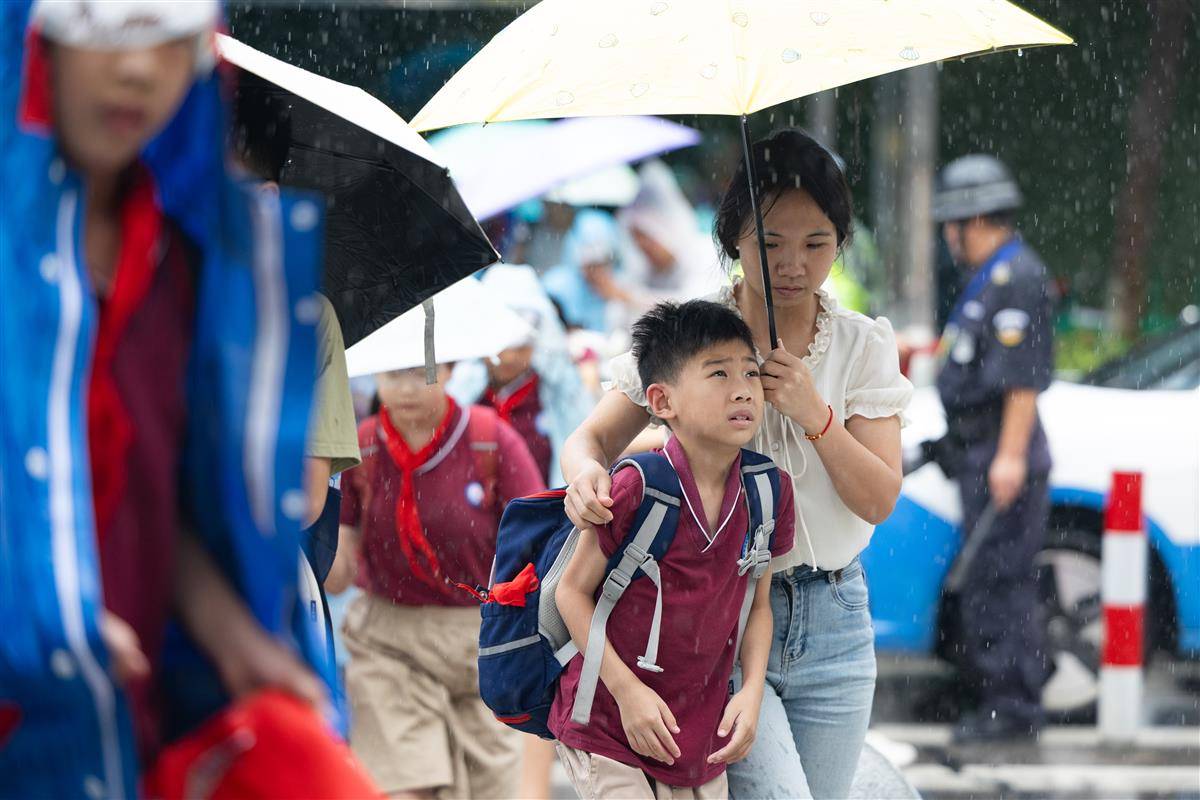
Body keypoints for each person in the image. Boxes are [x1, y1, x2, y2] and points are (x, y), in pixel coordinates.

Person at [0, 1, 346, 795]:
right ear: (36, 38)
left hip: (128, 724)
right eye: (101, 25)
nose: (136, 69)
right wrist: (35, 604)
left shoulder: (184, 266)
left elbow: (152, 496)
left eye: (167, 35)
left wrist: (236, 638)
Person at [560, 129, 912, 799]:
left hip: (836, 616)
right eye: (770, 243)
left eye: (816, 243)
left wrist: (815, 415)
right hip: (718, 611)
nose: (793, 264)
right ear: (732, 240)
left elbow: (877, 498)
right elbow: (590, 439)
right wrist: (584, 477)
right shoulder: (694, 337)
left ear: (840, 243)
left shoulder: (862, 345)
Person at [551, 300, 794, 799]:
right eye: (718, 373)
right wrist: (628, 692)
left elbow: (758, 606)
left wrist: (751, 693)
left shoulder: (768, 491)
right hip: (608, 721)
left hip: (697, 736)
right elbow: (570, 594)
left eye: (750, 372)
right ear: (662, 401)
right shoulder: (637, 487)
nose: (742, 389)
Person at [333, 346, 546, 799]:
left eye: (420, 372)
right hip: (390, 641)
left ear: (450, 370)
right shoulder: (361, 446)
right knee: (403, 788)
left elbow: (540, 540)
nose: (406, 388)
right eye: (393, 373)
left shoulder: (490, 439)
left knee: (492, 789)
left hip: (481, 642)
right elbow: (338, 567)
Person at [931, 154, 1055, 743]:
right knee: (986, 580)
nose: (947, 236)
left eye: (951, 224)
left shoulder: (1016, 277)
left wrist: (1009, 457)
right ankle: (989, 692)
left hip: (1002, 456)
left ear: (974, 219)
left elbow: (1021, 381)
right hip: (978, 452)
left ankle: (1012, 708)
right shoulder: (990, 275)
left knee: (1001, 583)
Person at [448, 264, 593, 487]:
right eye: (499, 346)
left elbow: (585, 447)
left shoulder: (556, 394)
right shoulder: (463, 396)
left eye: (520, 347)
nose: (508, 358)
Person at [616, 160, 724, 314]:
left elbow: (696, 304)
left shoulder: (705, 254)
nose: (644, 250)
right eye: (637, 242)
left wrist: (629, 297)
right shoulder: (643, 272)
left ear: (665, 230)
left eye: (647, 240)